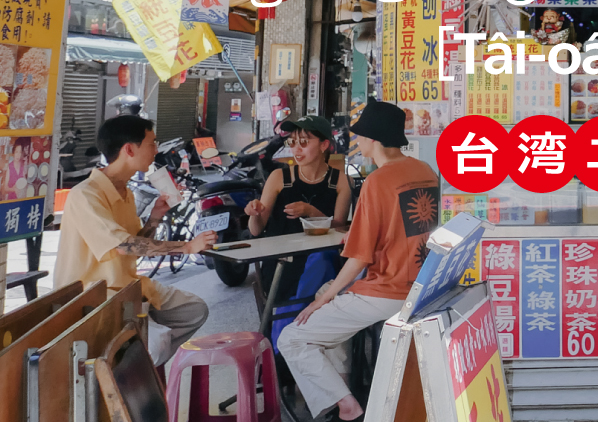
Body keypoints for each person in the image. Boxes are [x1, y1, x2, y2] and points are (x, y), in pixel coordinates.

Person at [277, 99, 439, 422]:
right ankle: (343, 388)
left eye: (360, 136)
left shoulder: (377, 181)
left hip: (387, 292)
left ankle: (347, 406)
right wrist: (330, 292)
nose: (357, 141)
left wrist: (324, 299)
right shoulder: (425, 171)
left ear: (373, 139)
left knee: (291, 338)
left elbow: (359, 258)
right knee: (327, 294)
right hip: (421, 288)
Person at [54, 114, 218, 366]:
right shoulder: (85, 195)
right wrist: (186, 247)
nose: (156, 149)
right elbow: (122, 246)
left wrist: (155, 218)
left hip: (130, 289)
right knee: (155, 346)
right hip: (96, 299)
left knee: (194, 310)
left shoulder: (126, 192)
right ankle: (130, 363)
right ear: (129, 149)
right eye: (151, 143)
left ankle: (134, 358)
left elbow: (135, 246)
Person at [244, 114, 351, 301]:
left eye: (304, 142)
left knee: (322, 266)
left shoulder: (341, 181)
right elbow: (256, 230)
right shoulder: (279, 177)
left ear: (324, 145)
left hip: (321, 263)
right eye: (292, 142)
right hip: (281, 263)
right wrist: (254, 214)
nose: (296, 149)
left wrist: (311, 212)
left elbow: (340, 230)